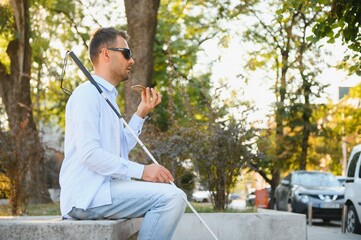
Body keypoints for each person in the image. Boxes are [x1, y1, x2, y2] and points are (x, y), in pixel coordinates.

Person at [59, 27, 186, 240]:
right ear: (106, 54)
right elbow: (89, 154)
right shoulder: (86, 94)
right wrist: (143, 171)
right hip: (87, 196)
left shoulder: (108, 97)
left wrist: (141, 113)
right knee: (171, 198)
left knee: (171, 195)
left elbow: (122, 146)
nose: (132, 60)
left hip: (106, 190)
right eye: (126, 53)